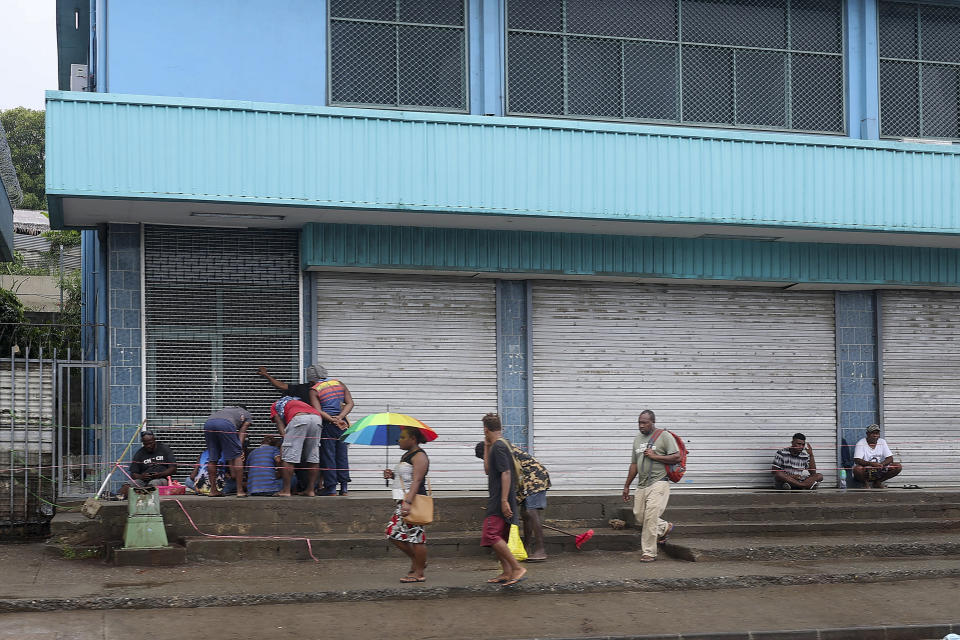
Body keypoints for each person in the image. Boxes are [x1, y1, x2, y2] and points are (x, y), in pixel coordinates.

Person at [475, 440, 551, 561]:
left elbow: (507, 473)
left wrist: (505, 501)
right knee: (525, 514)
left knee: (531, 511)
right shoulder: (498, 448)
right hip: (525, 479)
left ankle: (541, 550)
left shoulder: (498, 449)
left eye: (484, 457)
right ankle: (526, 548)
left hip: (534, 476)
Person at [622, 410, 681, 562]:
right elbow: (634, 464)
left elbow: (676, 456)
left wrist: (655, 456)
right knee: (640, 515)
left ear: (652, 422)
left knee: (650, 517)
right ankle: (664, 527)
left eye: (644, 422)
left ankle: (649, 552)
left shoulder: (664, 436)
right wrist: (627, 485)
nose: (641, 426)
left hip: (659, 481)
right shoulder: (637, 439)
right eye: (639, 422)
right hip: (642, 484)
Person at [478, 413, 526, 586]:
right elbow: (488, 470)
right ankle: (506, 572)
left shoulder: (499, 446)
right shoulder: (499, 445)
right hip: (501, 497)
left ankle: (516, 568)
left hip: (500, 499)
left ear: (485, 429)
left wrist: (504, 500)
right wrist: (486, 446)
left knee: (491, 534)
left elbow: (505, 472)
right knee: (500, 537)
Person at [383, 427, 430, 583]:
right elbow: (406, 477)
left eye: (403, 437)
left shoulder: (419, 456)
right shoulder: (407, 455)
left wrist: (408, 502)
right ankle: (418, 562)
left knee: (416, 538)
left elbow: (416, 481)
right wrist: (392, 475)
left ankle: (419, 572)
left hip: (413, 501)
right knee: (392, 534)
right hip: (403, 501)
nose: (399, 440)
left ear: (413, 439)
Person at [311, 366, 355, 496]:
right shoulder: (339, 383)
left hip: (328, 424)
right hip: (343, 424)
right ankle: (344, 487)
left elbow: (318, 410)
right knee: (342, 454)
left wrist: (332, 419)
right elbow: (350, 403)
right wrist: (340, 417)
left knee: (328, 455)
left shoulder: (314, 389)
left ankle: (330, 488)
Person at [270, 395, 323, 497]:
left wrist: (286, 442)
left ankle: (286, 491)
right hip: (317, 418)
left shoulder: (275, 405)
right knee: (313, 457)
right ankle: (310, 490)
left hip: (299, 418)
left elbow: (279, 423)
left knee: (289, 457)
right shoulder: (300, 402)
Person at [202, 405, 251, 497]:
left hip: (208, 423)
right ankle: (240, 491)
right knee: (237, 456)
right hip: (226, 424)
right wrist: (239, 449)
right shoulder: (247, 414)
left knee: (213, 458)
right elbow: (242, 432)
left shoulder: (226, 410)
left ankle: (213, 490)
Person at [119, 431, 177, 498]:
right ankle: (118, 498)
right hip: (143, 480)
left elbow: (173, 469)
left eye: (150, 443)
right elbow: (133, 474)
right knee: (128, 485)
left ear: (154, 440)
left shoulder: (164, 449)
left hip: (161, 479)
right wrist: (141, 476)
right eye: (146, 444)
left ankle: (148, 503)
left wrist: (160, 474)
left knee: (153, 484)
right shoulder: (140, 453)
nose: (148, 446)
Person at [852, 424, 902, 488]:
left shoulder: (882, 441)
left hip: (879, 469)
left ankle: (878, 482)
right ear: (867, 434)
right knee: (857, 469)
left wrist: (881, 464)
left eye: (877, 433)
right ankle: (865, 483)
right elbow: (857, 460)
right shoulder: (861, 443)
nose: (875, 435)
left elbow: (890, 458)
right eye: (873, 433)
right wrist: (871, 464)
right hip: (866, 469)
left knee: (897, 466)